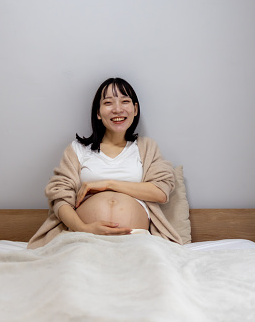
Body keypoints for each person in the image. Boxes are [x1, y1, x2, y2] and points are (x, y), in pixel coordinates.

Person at [27, 78, 182, 249]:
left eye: (125, 101)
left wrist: (107, 184)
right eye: (108, 103)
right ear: (98, 113)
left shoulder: (146, 148)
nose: (117, 109)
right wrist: (84, 229)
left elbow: (160, 192)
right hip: (82, 239)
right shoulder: (78, 149)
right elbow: (60, 198)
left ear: (135, 109)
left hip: (136, 242)